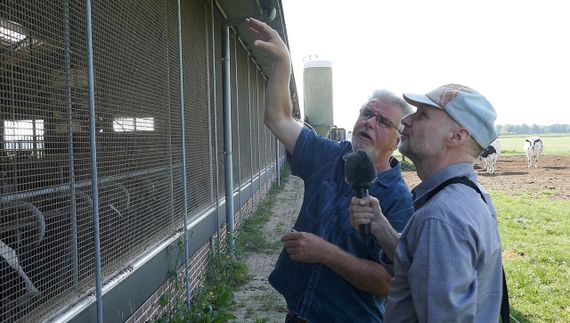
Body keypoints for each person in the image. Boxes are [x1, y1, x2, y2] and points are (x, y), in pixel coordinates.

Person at [246, 18, 415, 322]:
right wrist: (284, 61)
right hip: (297, 314)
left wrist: (324, 252)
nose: (369, 122)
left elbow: (388, 282)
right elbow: (278, 118)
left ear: (397, 141)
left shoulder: (399, 199)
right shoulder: (329, 155)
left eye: (383, 122)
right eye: (367, 113)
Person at [350, 84, 505, 322]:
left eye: (422, 114)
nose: (407, 120)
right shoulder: (473, 195)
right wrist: (380, 226)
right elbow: (420, 265)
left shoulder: (441, 217)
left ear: (456, 136)